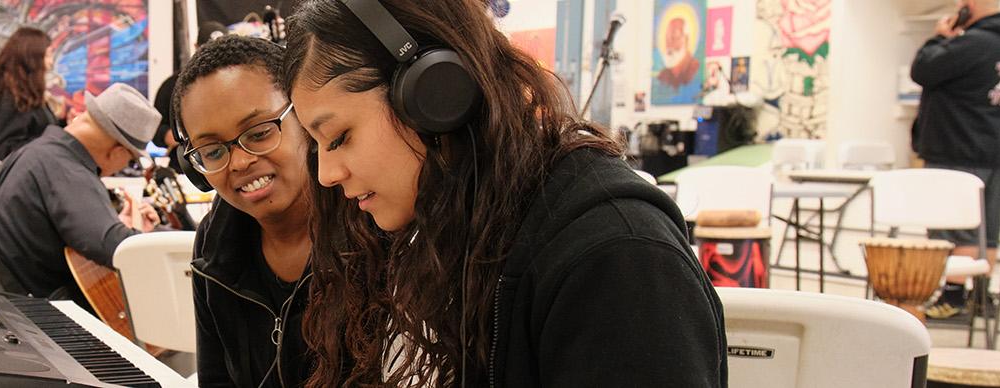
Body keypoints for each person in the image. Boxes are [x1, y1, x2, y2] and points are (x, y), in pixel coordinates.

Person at [281, 0, 726, 386]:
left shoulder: (617, 259)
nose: (327, 174)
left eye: (339, 137)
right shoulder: (441, 224)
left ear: (434, 94)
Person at [174, 36, 316, 387]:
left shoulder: (373, 226)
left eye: (259, 132)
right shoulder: (214, 244)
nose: (239, 162)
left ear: (305, 115)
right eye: (212, 151)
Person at [0, 83, 161, 310]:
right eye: (130, 160)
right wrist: (137, 235)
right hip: (36, 316)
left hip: (2, 301)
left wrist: (118, 225)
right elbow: (117, 249)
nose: (125, 165)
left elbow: (85, 231)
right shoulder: (68, 170)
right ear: (118, 151)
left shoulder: (36, 154)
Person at [912, 0, 1000, 319]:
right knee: (986, 230)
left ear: (970, 7)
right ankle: (980, 296)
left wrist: (939, 37)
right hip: (993, 153)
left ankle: (953, 298)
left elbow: (923, 70)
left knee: (953, 229)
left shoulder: (970, 43)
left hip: (956, 149)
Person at [0, 27, 61, 161]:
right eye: (48, 55)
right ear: (32, 58)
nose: (51, 62)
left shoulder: (29, 97)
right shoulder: (13, 99)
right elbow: (6, 148)